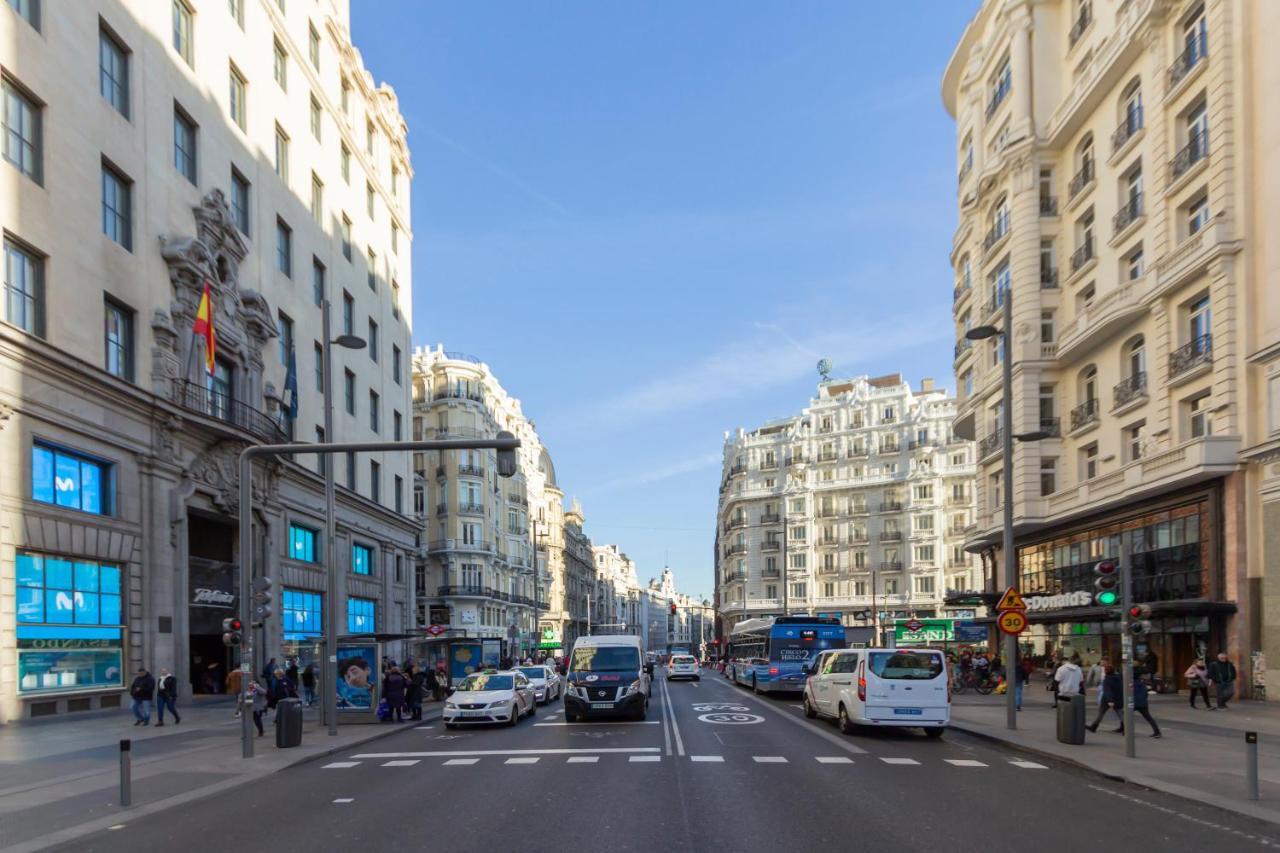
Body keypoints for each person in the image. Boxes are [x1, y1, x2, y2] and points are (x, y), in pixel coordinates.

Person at [1086, 666, 1123, 732]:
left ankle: (1094, 726)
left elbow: (1108, 691)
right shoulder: (1118, 679)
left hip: (1106, 700)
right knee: (1120, 713)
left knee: (1101, 713)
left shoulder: (1107, 680)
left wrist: (1110, 700)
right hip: (1117, 698)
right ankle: (1124, 726)